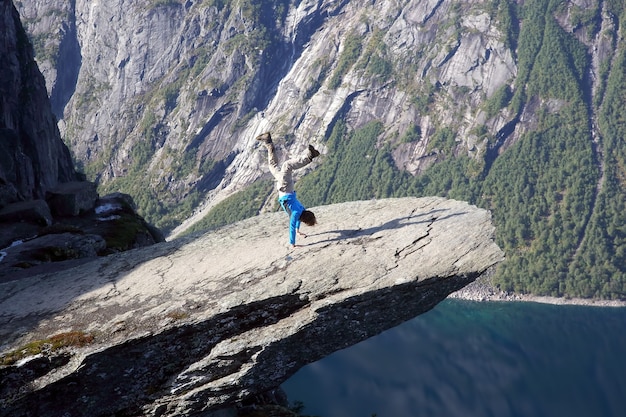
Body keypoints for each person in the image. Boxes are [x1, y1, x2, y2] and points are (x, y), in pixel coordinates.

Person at [256, 131, 320, 248]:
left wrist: (297, 232)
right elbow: (293, 224)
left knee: (273, 166)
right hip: (284, 188)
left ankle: (268, 141)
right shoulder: (297, 213)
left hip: (288, 188)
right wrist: (293, 243)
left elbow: (295, 222)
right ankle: (309, 156)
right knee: (287, 166)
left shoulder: (300, 210)